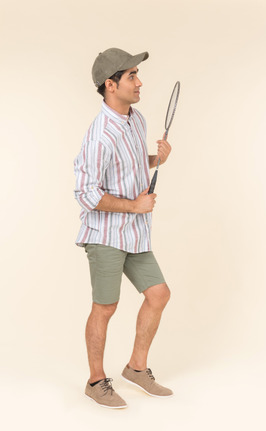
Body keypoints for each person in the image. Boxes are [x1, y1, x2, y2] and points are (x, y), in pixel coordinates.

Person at [74, 48, 172, 409]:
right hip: (105, 235)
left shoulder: (136, 118)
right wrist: (134, 205)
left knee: (158, 294)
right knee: (106, 306)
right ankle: (96, 381)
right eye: (132, 75)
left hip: (134, 232)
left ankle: (136, 368)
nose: (139, 81)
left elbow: (131, 164)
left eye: (137, 73)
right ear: (110, 85)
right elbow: (85, 193)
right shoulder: (99, 134)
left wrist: (155, 159)